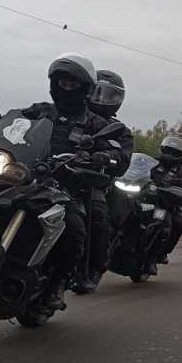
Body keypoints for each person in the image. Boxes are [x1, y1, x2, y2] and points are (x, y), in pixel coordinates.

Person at [21, 52, 131, 315]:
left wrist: (103, 157)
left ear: (84, 89)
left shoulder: (103, 126)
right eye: (62, 83)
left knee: (79, 225)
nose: (66, 89)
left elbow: (121, 155)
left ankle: (60, 283)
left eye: (73, 84)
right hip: (28, 178)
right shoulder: (41, 110)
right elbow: (14, 123)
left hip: (68, 186)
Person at [76, 69, 135, 294]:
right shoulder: (65, 112)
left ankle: (92, 268)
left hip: (92, 181)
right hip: (50, 174)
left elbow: (123, 159)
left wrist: (107, 157)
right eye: (97, 91)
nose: (101, 99)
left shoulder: (118, 130)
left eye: (110, 95)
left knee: (99, 215)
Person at [145, 134, 182, 275]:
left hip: (166, 205)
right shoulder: (152, 161)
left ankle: (153, 257)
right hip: (145, 198)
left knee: (168, 222)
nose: (170, 153)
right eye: (169, 149)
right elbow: (136, 168)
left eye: (174, 151)